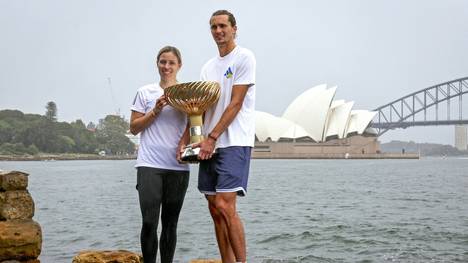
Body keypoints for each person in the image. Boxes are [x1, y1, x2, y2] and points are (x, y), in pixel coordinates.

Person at [193, 10, 256, 263]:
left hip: (233, 141)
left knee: (225, 205)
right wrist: (190, 142)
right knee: (213, 208)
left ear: (234, 29)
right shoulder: (208, 67)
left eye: (222, 26)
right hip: (209, 144)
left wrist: (212, 137)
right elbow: (200, 109)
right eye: (213, 27)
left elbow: (236, 103)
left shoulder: (244, 57)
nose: (218, 31)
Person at [130, 46, 190, 263]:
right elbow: (134, 128)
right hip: (149, 166)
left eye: (171, 63)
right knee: (149, 222)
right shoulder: (145, 92)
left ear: (179, 66)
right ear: (157, 64)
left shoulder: (187, 93)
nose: (166, 67)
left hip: (178, 167)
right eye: (163, 62)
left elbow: (195, 124)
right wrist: (154, 111)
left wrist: (185, 145)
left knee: (170, 224)